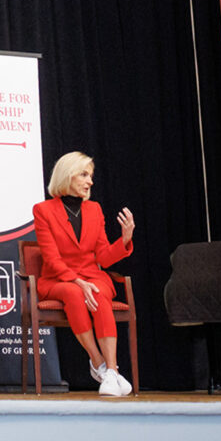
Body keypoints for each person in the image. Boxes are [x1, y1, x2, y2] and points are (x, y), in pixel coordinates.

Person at [32, 151, 135, 396]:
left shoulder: (95, 210)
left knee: (99, 294)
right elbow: (51, 259)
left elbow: (102, 256)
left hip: (92, 276)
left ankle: (110, 370)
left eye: (91, 176)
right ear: (68, 175)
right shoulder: (43, 211)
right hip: (58, 280)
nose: (90, 181)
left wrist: (124, 240)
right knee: (75, 294)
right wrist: (77, 281)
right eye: (84, 175)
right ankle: (99, 363)